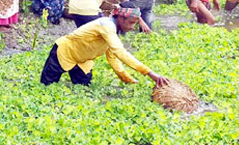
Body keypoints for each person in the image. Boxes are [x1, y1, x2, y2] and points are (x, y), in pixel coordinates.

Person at [40, 5, 170, 87]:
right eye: (130, 23)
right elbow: (120, 52)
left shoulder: (112, 32)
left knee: (83, 89)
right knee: (46, 86)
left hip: (83, 61)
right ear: (120, 18)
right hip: (64, 53)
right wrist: (150, 73)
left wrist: (126, 78)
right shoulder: (106, 26)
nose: (131, 28)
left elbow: (113, 57)